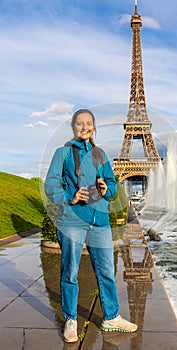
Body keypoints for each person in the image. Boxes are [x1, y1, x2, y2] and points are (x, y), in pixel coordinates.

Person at [44, 109, 137, 343]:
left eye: (88, 124)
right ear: (73, 127)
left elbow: (113, 184)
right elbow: (50, 185)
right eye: (79, 124)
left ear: (94, 128)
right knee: (70, 271)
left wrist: (107, 189)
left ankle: (111, 317)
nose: (84, 127)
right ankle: (71, 319)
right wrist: (71, 196)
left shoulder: (100, 154)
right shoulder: (62, 153)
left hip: (100, 221)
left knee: (106, 271)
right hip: (73, 220)